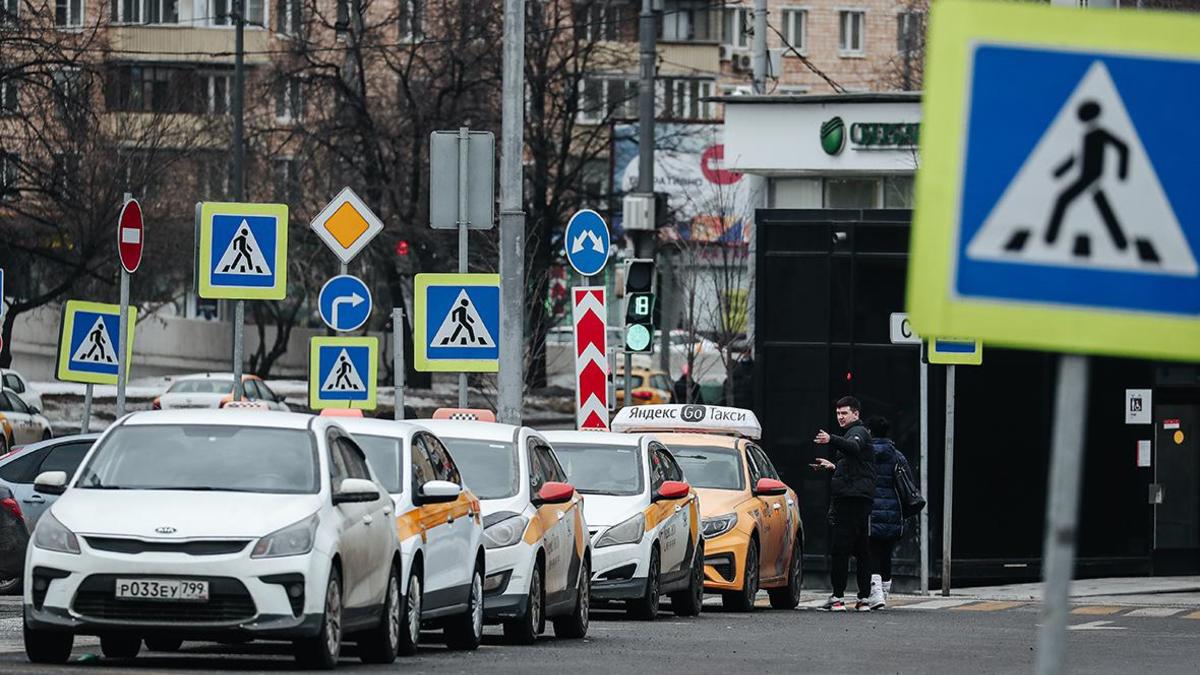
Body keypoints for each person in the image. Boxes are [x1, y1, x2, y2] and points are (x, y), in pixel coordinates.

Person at [812, 395, 875, 612]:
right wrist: (833, 467)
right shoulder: (855, 432)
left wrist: (831, 439)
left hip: (850, 502)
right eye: (838, 413)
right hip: (858, 499)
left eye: (844, 413)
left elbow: (854, 448)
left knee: (841, 550)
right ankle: (863, 599)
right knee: (862, 550)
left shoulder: (857, 432)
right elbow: (855, 466)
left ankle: (838, 598)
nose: (840, 417)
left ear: (856, 414)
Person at [864, 416, 912, 610]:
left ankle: (876, 594)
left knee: (872, 551)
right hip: (893, 511)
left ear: (870, 432)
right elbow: (909, 481)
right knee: (886, 553)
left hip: (871, 509)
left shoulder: (866, 455)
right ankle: (884, 592)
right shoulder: (897, 455)